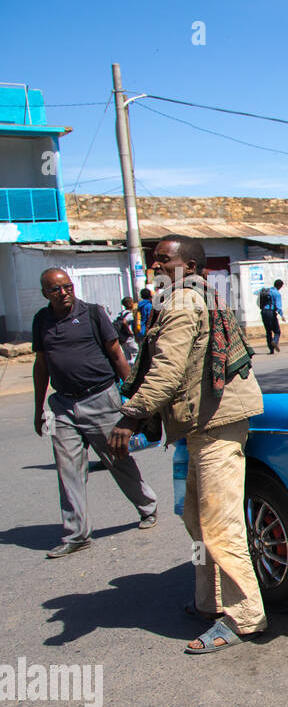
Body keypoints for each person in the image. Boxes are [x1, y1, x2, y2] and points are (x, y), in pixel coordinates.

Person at [107, 234, 266, 655]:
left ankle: (244, 616)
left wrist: (131, 415)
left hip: (216, 422)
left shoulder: (180, 302)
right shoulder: (190, 296)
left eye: (164, 261)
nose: (156, 268)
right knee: (197, 519)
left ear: (189, 266)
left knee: (219, 523)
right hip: (204, 423)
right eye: (155, 261)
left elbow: (166, 372)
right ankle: (211, 602)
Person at [32, 269, 158, 558]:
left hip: (101, 398)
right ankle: (76, 534)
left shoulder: (92, 313)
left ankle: (147, 506)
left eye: (67, 287)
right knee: (68, 470)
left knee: (117, 459)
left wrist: (133, 399)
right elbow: (41, 365)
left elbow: (117, 355)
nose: (63, 292)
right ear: (45, 293)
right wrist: (38, 409)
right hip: (63, 405)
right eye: (55, 289)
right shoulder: (41, 320)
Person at [258, 279, 284, 354]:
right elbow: (278, 306)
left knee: (268, 331)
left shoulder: (267, 291)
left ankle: (271, 350)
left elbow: (256, 293)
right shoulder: (277, 293)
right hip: (271, 313)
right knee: (277, 331)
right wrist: (282, 315)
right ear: (279, 286)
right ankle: (275, 341)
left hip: (263, 312)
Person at [114, 296, 139, 363]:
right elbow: (125, 322)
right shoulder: (129, 314)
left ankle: (128, 369)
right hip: (128, 336)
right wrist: (129, 331)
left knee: (127, 355)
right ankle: (132, 367)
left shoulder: (121, 313)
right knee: (136, 352)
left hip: (121, 337)